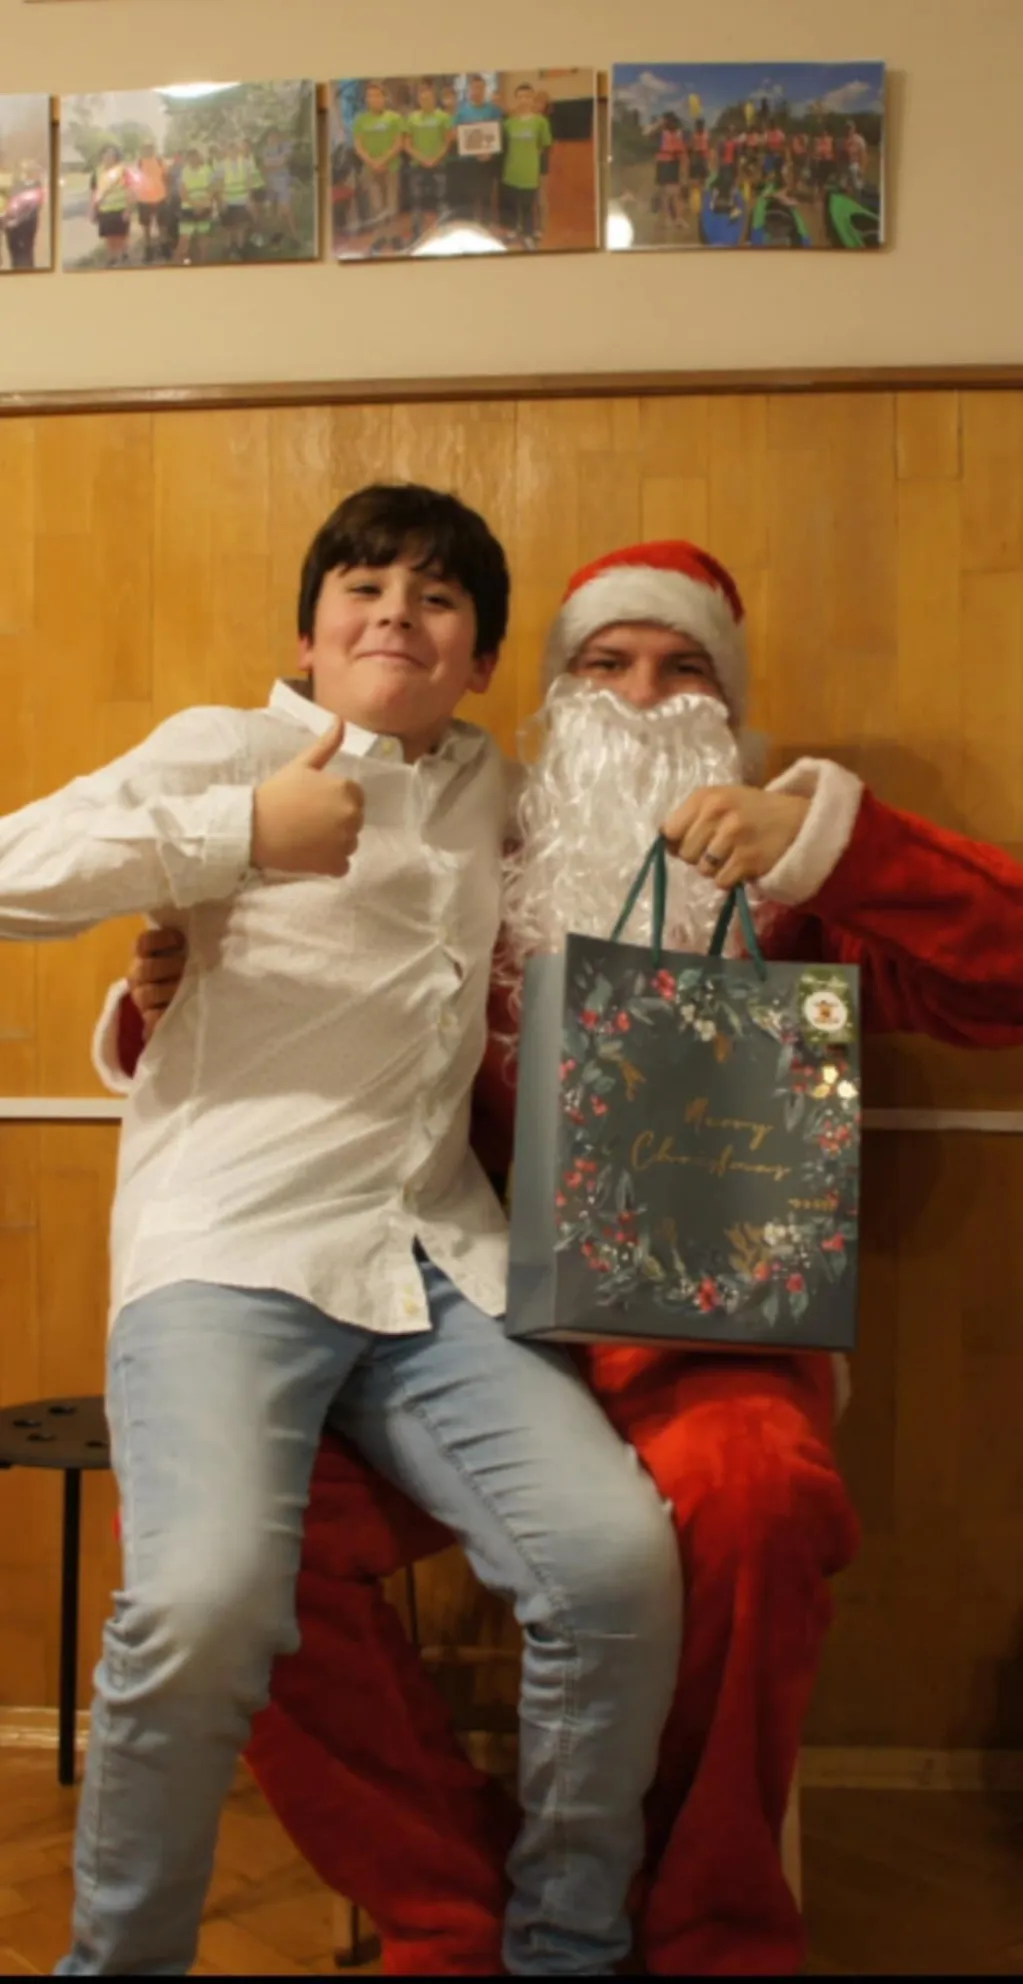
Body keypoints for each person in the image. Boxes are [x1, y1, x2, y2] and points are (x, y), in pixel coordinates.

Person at [109, 531, 1023, 1974]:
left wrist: (835, 842)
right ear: (549, 690)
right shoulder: (467, 848)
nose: (641, 696)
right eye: (605, 665)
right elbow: (313, 1012)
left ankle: (705, 1919)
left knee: (755, 1496)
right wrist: (165, 996)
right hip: (466, 1329)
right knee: (238, 1546)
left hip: (701, 1336)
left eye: (682, 670)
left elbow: (1005, 982)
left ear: (729, 702)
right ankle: (451, 1900)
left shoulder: (792, 879)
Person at [1, 485, 680, 1979]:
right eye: (361, 588)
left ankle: (565, 1948)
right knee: (200, 1602)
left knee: (616, 1565)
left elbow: (646, 833)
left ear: (480, 658)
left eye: (436, 598)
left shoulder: (498, 790)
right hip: (225, 1254)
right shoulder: (224, 750)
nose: (394, 615)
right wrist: (237, 834)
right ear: (305, 638)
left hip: (440, 1266)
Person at [351, 80, 405, 252]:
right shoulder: (360, 120)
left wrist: (382, 161)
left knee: (392, 204)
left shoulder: (394, 118)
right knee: (377, 206)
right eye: (370, 96)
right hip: (370, 170)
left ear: (384, 97)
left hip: (391, 168)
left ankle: (394, 236)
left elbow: (399, 143)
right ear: (366, 99)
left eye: (377, 95)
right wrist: (372, 162)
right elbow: (358, 146)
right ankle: (380, 237)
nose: (374, 99)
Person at [500, 82, 551, 249]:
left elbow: (544, 145)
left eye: (527, 96)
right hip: (511, 171)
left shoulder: (540, 122)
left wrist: (533, 156)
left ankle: (528, 235)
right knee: (512, 206)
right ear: (516, 99)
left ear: (532, 99)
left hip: (529, 172)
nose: (523, 100)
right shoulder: (509, 123)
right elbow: (502, 145)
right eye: (520, 97)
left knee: (528, 207)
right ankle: (513, 231)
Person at [404, 78, 453, 243]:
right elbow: (407, 143)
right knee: (417, 202)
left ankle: (443, 233)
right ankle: (417, 234)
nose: (425, 99)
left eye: (429, 97)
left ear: (434, 98)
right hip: (417, 166)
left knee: (441, 200)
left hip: (439, 165)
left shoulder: (443, 117)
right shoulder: (412, 118)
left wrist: (434, 159)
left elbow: (447, 141)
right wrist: (422, 158)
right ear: (418, 99)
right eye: (422, 97)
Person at [452, 74, 503, 229]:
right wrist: (472, 150)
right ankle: (470, 226)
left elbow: (498, 132)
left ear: (485, 89)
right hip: (468, 162)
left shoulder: (494, 110)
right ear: (469, 90)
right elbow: (455, 134)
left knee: (486, 194)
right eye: (474, 87)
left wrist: (489, 153)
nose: (477, 90)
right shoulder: (462, 111)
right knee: (469, 195)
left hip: (487, 160)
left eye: (480, 87)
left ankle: (486, 225)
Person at [89, 145, 132, 268]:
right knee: (109, 236)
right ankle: (113, 258)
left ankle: (124, 254)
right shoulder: (97, 172)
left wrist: (128, 209)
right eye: (105, 155)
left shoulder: (123, 171)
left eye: (111, 155)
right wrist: (93, 210)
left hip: (121, 208)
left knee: (122, 235)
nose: (107, 157)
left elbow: (130, 190)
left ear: (116, 158)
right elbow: (94, 192)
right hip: (105, 210)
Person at [176, 146, 215, 265]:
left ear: (199, 157)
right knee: (185, 238)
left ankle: (203, 263)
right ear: (188, 158)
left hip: (204, 208)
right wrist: (195, 206)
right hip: (188, 209)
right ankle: (183, 263)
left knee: (203, 237)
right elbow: (183, 193)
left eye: (196, 156)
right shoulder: (184, 172)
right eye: (191, 156)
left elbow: (211, 189)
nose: (194, 159)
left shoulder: (207, 170)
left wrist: (202, 205)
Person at [650, 111, 686, 233]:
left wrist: (683, 167)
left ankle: (679, 219)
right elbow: (647, 133)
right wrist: (659, 123)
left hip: (675, 163)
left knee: (677, 192)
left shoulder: (679, 133)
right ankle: (667, 219)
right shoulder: (661, 133)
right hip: (664, 163)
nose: (672, 124)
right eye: (670, 121)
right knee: (665, 193)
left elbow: (683, 150)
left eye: (673, 121)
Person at [132, 143, 167, 265]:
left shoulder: (159, 161)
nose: (148, 150)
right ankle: (148, 252)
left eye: (150, 148)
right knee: (146, 228)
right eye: (146, 148)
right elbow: (134, 181)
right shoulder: (139, 163)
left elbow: (165, 177)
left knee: (162, 226)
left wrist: (166, 193)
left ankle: (164, 249)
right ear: (142, 150)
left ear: (154, 149)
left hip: (160, 199)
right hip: (144, 201)